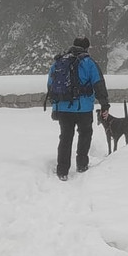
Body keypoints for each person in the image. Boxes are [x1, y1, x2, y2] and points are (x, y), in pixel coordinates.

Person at [48, 36, 110, 181]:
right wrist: (104, 105)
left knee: (65, 138)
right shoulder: (89, 63)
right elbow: (99, 84)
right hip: (83, 108)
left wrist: (56, 107)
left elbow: (51, 85)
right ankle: (82, 164)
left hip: (63, 108)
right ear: (87, 48)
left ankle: (62, 170)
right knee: (85, 134)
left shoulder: (59, 62)